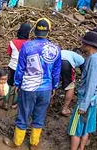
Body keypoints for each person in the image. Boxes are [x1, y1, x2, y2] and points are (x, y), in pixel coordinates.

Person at [4, 18, 61, 150]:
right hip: (46, 88)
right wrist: (54, 86)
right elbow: (56, 72)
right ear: (48, 32)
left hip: (28, 87)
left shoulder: (27, 46)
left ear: (34, 31)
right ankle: (33, 144)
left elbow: (20, 68)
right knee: (39, 116)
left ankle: (17, 143)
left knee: (23, 114)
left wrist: (17, 84)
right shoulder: (56, 49)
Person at [68, 31, 97, 150]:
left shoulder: (93, 60)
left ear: (89, 45)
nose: (82, 45)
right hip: (93, 100)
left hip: (85, 101)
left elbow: (91, 84)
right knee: (85, 129)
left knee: (75, 130)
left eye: (83, 43)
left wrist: (83, 105)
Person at [2, 23, 32, 110]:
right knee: (19, 85)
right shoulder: (30, 43)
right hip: (23, 68)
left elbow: (9, 53)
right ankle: (14, 104)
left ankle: (5, 103)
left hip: (12, 66)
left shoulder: (12, 42)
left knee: (8, 84)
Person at [60, 49, 85, 116]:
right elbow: (84, 73)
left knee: (52, 84)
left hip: (55, 61)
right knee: (70, 86)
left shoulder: (65, 52)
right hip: (66, 63)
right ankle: (65, 110)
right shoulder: (80, 58)